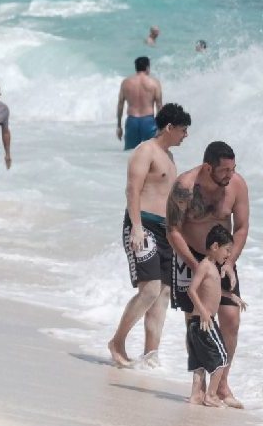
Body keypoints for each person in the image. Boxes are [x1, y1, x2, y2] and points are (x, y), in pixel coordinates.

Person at [166, 141, 251, 408]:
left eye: (233, 169)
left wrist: (228, 263)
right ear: (207, 167)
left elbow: (241, 228)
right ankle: (200, 388)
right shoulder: (185, 187)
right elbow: (173, 231)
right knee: (197, 324)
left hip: (222, 258)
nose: (230, 175)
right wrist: (195, 265)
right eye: (225, 170)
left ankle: (222, 384)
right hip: (189, 256)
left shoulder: (236, 185)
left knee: (231, 319)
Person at [107, 103, 191, 368]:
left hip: (166, 230)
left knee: (164, 293)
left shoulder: (169, 156)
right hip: (143, 225)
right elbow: (132, 191)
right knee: (149, 290)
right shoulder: (146, 151)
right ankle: (117, 341)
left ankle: (150, 355)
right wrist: (136, 227)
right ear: (169, 127)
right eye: (183, 130)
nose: (185, 135)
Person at [182, 225, 239, 407]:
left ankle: (195, 396)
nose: (229, 255)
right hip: (204, 322)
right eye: (227, 250)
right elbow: (191, 290)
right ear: (215, 246)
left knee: (199, 363)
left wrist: (232, 296)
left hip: (197, 323)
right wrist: (204, 312)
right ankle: (211, 395)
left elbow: (213, 291)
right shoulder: (205, 266)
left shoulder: (213, 268)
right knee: (222, 359)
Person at [117, 56, 163, 150]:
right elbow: (159, 105)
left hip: (132, 121)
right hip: (148, 121)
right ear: (147, 67)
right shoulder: (154, 83)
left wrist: (119, 126)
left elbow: (120, 104)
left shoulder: (126, 83)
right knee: (152, 152)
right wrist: (161, 127)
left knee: (130, 153)